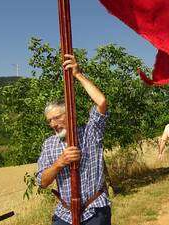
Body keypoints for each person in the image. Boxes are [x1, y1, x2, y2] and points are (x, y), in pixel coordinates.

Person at [37, 54, 111, 225]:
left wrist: (77, 75)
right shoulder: (49, 144)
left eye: (56, 117)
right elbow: (41, 182)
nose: (53, 124)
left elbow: (101, 102)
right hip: (65, 214)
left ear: (70, 114)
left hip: (95, 211)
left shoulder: (90, 132)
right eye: (49, 121)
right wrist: (59, 163)